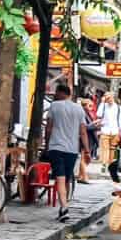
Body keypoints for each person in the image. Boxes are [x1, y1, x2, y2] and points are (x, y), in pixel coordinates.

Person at [43, 82, 88, 220]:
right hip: (72, 149)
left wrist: (46, 144)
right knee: (66, 179)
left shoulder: (55, 106)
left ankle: (64, 207)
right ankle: (64, 206)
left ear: (61, 93)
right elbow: (83, 132)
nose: (55, 95)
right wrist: (86, 150)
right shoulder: (79, 109)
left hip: (56, 147)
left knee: (60, 179)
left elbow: (49, 127)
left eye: (56, 93)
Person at [96, 87, 121, 175]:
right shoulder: (104, 106)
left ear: (113, 97)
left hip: (115, 131)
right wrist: (102, 103)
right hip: (105, 130)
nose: (109, 100)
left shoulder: (118, 108)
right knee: (105, 149)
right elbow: (98, 114)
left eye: (110, 97)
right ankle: (104, 165)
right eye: (107, 98)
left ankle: (110, 165)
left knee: (113, 150)